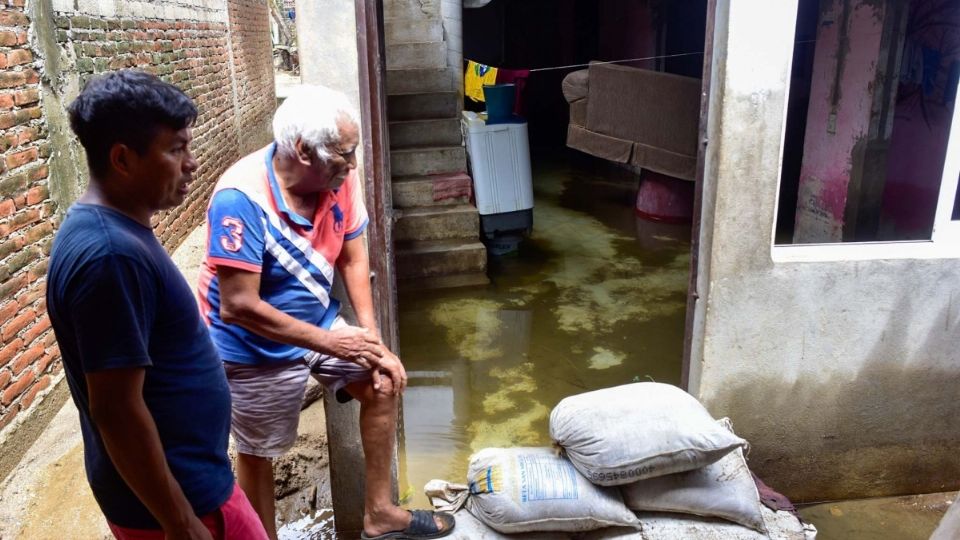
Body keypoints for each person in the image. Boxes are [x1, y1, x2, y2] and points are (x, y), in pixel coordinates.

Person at [198, 85, 455, 540]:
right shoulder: (240, 200)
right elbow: (237, 306)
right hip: (251, 342)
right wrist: (331, 341)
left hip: (317, 321)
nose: (353, 166)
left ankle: (378, 513)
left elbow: (353, 259)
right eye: (343, 155)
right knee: (259, 452)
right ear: (301, 151)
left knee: (383, 384)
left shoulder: (337, 177)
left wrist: (370, 342)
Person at [46, 70, 268, 540]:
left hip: (189, 485)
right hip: (183, 502)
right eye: (175, 149)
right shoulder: (110, 257)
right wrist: (180, 521)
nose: (190, 163)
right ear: (122, 159)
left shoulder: (112, 232)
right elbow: (117, 411)